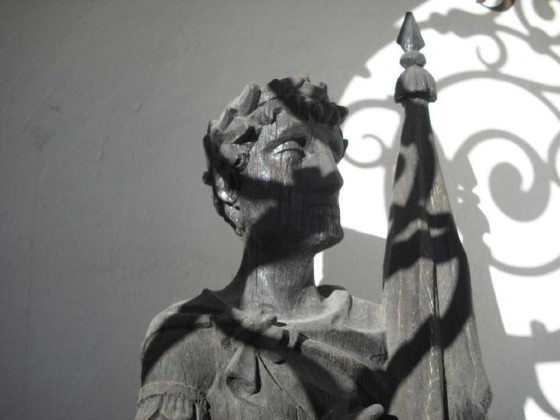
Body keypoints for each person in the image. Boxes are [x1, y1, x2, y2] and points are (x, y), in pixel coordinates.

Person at [135, 77, 388, 420]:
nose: (332, 176)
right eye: (293, 150)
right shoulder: (187, 335)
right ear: (228, 187)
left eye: (333, 152)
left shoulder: (382, 326)